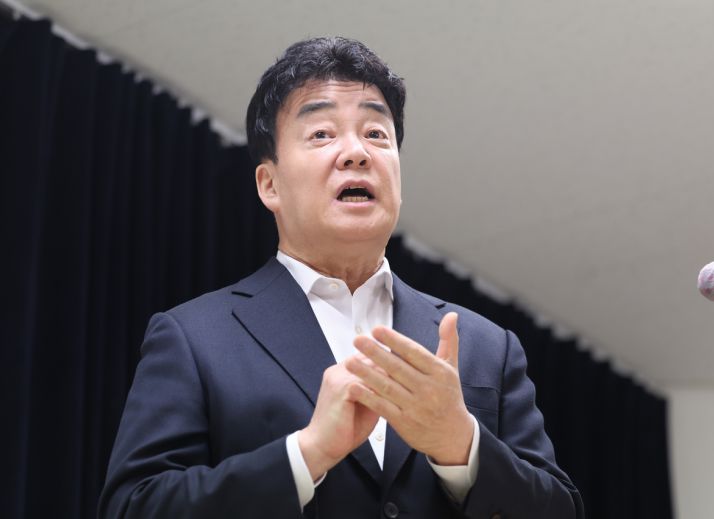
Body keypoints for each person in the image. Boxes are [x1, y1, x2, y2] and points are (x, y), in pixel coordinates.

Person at [99, 37, 584, 519]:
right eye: (322, 134)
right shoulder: (194, 338)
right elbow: (133, 507)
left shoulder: (486, 346)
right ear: (269, 185)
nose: (356, 152)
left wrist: (461, 444)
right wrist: (306, 454)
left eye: (376, 134)